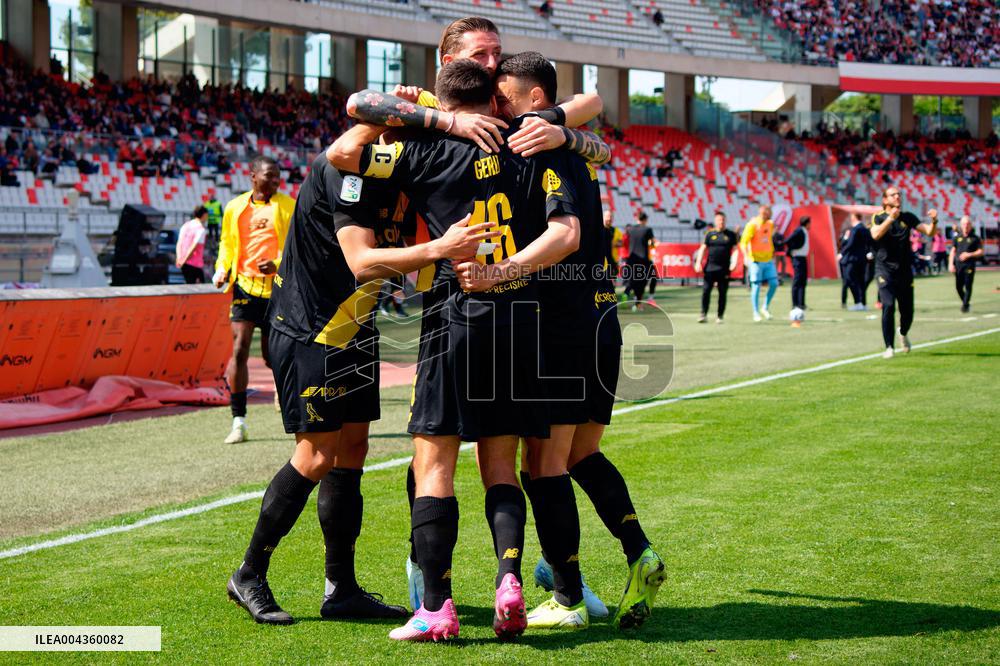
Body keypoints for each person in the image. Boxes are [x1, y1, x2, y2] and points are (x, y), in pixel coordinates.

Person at [329, 59, 578, 643]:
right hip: (521, 316)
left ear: (443, 100)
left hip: (453, 313)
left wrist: (430, 122)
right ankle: (509, 579)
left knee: (435, 461)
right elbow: (568, 231)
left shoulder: (418, 150)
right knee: (499, 463)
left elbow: (344, 152)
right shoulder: (530, 145)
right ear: (495, 98)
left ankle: (437, 607)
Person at [226, 151, 492, 626]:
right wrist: (440, 250)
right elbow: (364, 263)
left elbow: (410, 260)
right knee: (316, 456)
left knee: (352, 451)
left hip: (354, 325)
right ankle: (249, 572)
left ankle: (340, 588)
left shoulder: (403, 187)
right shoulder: (347, 174)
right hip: (311, 328)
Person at [489, 51, 664, 633]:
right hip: (602, 317)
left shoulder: (540, 145)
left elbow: (564, 234)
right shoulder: (568, 142)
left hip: (562, 322)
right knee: (582, 455)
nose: (499, 104)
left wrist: (503, 272)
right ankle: (638, 552)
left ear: (533, 99)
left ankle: (567, 598)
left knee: (544, 465)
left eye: (506, 94)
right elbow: (595, 114)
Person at [213, 156, 295, 443]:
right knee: (239, 349)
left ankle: (284, 397)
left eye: (278, 176)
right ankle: (239, 421)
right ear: (253, 176)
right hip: (245, 288)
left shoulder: (287, 206)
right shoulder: (235, 207)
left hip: (278, 290)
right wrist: (222, 268)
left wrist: (278, 263)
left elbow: (298, 247)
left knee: (275, 357)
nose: (276, 180)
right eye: (270, 175)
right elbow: (227, 243)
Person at [869, 186, 938, 358]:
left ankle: (903, 332)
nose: (898, 196)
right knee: (889, 305)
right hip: (884, 269)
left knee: (907, 312)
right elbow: (875, 235)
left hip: (904, 270)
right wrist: (890, 219)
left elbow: (929, 231)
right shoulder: (878, 217)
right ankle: (889, 347)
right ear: (885, 200)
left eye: (899, 194)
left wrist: (934, 221)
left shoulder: (908, 217)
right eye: (893, 195)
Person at [694, 211, 739, 323]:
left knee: (722, 293)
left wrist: (734, 262)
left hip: (724, 269)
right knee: (706, 291)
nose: (721, 222)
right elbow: (703, 248)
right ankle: (703, 314)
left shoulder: (730, 235)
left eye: (723, 220)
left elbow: (735, 250)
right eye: (719, 220)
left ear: (725, 221)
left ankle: (720, 316)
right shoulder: (710, 234)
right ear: (715, 221)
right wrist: (698, 262)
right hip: (710, 268)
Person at [740, 205, 778, 321]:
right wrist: (746, 257)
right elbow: (743, 242)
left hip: (768, 260)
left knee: (774, 283)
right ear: (762, 213)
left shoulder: (770, 224)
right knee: (756, 286)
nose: (770, 214)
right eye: (768, 212)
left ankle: (765, 307)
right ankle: (755, 312)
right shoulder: (752, 224)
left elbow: (768, 237)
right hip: (755, 260)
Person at [948, 215, 984, 313]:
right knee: (958, 287)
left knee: (968, 285)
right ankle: (966, 302)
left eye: (968, 224)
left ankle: (965, 305)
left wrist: (969, 254)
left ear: (971, 225)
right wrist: (950, 264)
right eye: (964, 224)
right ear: (961, 225)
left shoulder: (975, 238)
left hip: (969, 265)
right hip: (958, 266)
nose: (966, 226)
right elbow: (952, 251)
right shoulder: (957, 238)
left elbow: (981, 251)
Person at [838, 213, 871, 310]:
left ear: (853, 217)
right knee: (861, 281)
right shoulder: (865, 229)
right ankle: (863, 304)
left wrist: (842, 253)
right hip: (863, 259)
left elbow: (850, 244)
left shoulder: (855, 229)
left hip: (853, 259)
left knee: (849, 278)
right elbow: (869, 242)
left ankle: (858, 302)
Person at [624, 211, 657, 310]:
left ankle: (629, 294)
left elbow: (625, 241)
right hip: (643, 260)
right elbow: (651, 243)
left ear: (637, 218)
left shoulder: (630, 229)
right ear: (645, 220)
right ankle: (638, 303)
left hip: (632, 259)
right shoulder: (648, 229)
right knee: (645, 281)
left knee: (634, 280)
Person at [175, 206, 209, 284]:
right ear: (204, 215)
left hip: (183, 261)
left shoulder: (186, 225)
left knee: (189, 287)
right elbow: (194, 246)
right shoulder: (201, 229)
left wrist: (179, 258)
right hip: (194, 264)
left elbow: (179, 242)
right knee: (200, 291)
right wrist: (185, 260)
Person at [786, 215, 811, 311]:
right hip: (797, 258)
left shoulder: (804, 231)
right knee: (797, 281)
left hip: (802, 258)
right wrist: (791, 249)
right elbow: (789, 239)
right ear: (807, 223)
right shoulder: (799, 230)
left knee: (802, 281)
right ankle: (795, 304)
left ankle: (801, 303)